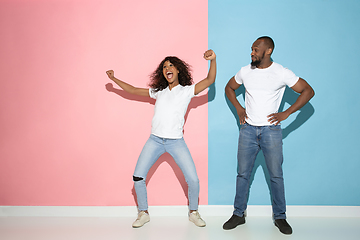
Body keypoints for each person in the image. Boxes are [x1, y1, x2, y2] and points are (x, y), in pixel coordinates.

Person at [106, 50, 216, 228]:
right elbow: (133, 90)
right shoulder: (159, 91)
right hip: (155, 140)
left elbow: (210, 80)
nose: (167, 68)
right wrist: (114, 79)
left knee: (193, 180)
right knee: (138, 177)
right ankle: (143, 213)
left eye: (171, 65)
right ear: (162, 73)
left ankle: (193, 212)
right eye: (164, 67)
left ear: (178, 70)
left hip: (176, 142)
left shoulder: (187, 91)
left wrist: (213, 60)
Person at [223, 36, 314, 235]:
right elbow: (229, 88)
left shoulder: (281, 72)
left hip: (271, 131)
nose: (252, 53)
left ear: (268, 50)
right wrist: (239, 108)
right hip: (247, 129)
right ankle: (238, 214)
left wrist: (287, 113)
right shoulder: (245, 71)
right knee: (242, 174)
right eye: (251, 49)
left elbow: (308, 91)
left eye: (256, 49)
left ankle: (280, 217)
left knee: (276, 176)